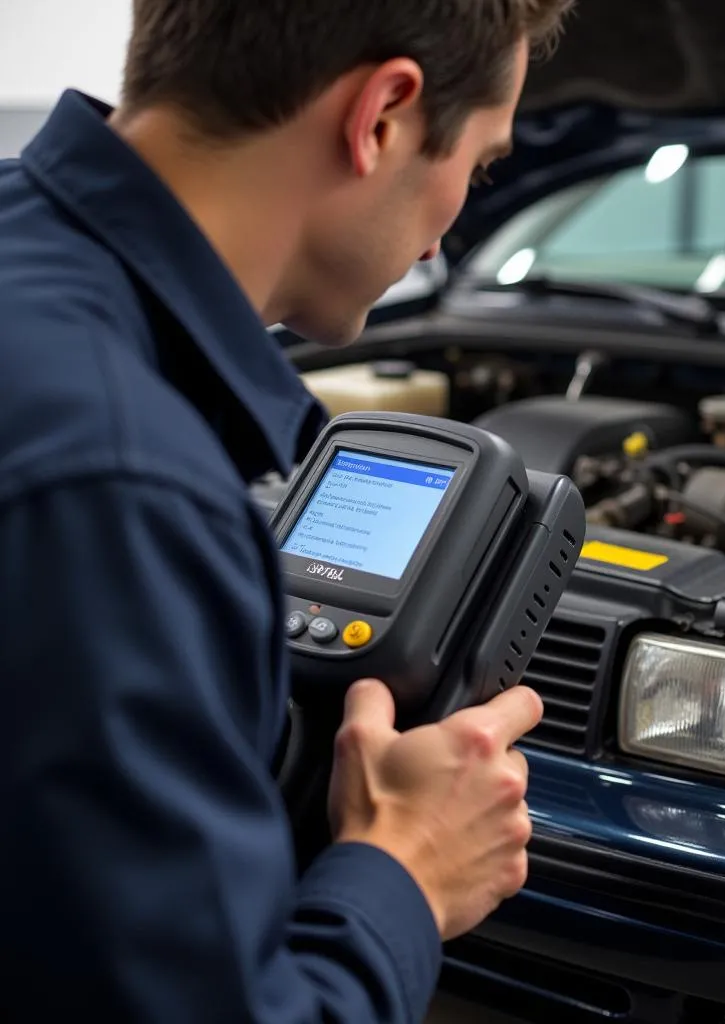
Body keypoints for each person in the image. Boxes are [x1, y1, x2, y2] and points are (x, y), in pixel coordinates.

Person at [0, 1, 574, 1021]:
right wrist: (406, 871)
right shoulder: (124, 487)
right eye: (479, 166)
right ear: (383, 117)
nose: (456, 218)